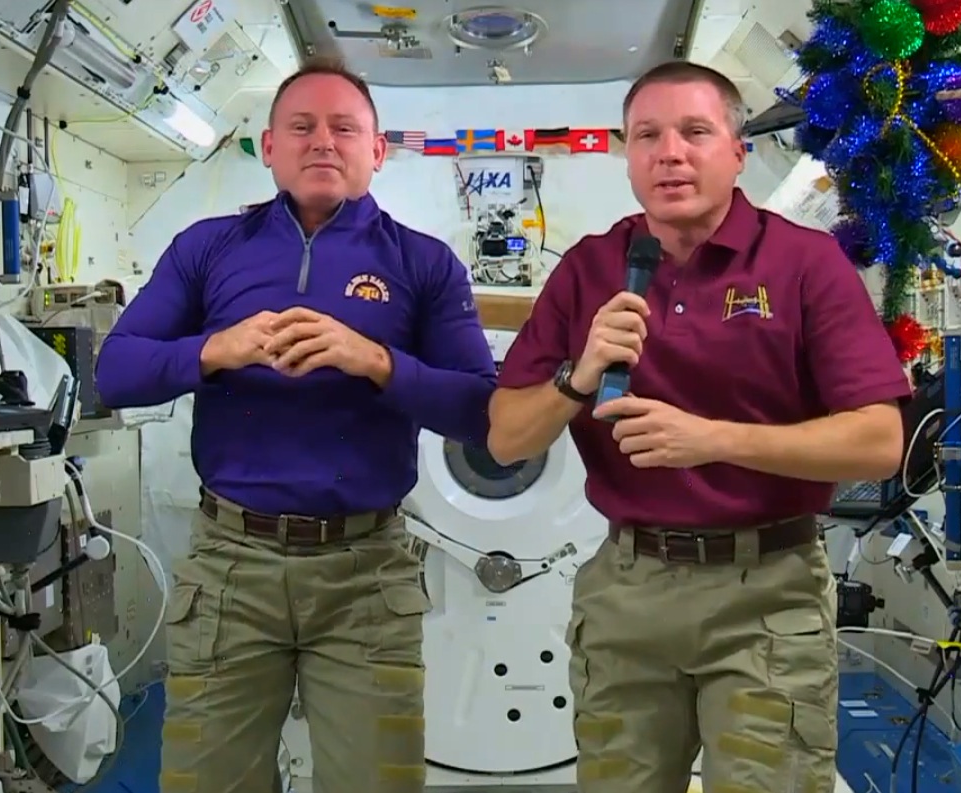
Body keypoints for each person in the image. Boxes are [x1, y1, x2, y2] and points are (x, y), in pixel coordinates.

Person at [486, 61, 911, 792]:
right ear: (627, 153)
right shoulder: (589, 270)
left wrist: (714, 438)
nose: (669, 153)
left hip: (766, 594)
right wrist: (578, 374)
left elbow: (878, 441)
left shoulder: (804, 264)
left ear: (738, 150)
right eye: (647, 135)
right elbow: (505, 440)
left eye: (694, 131)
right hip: (628, 591)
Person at [95, 57, 496, 793]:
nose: (323, 142)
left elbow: (481, 414)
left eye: (345, 128)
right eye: (302, 127)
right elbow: (114, 371)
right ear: (269, 146)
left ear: (377, 150)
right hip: (230, 567)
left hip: (365, 573)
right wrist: (218, 349)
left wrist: (376, 360)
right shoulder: (208, 247)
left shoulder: (425, 263)